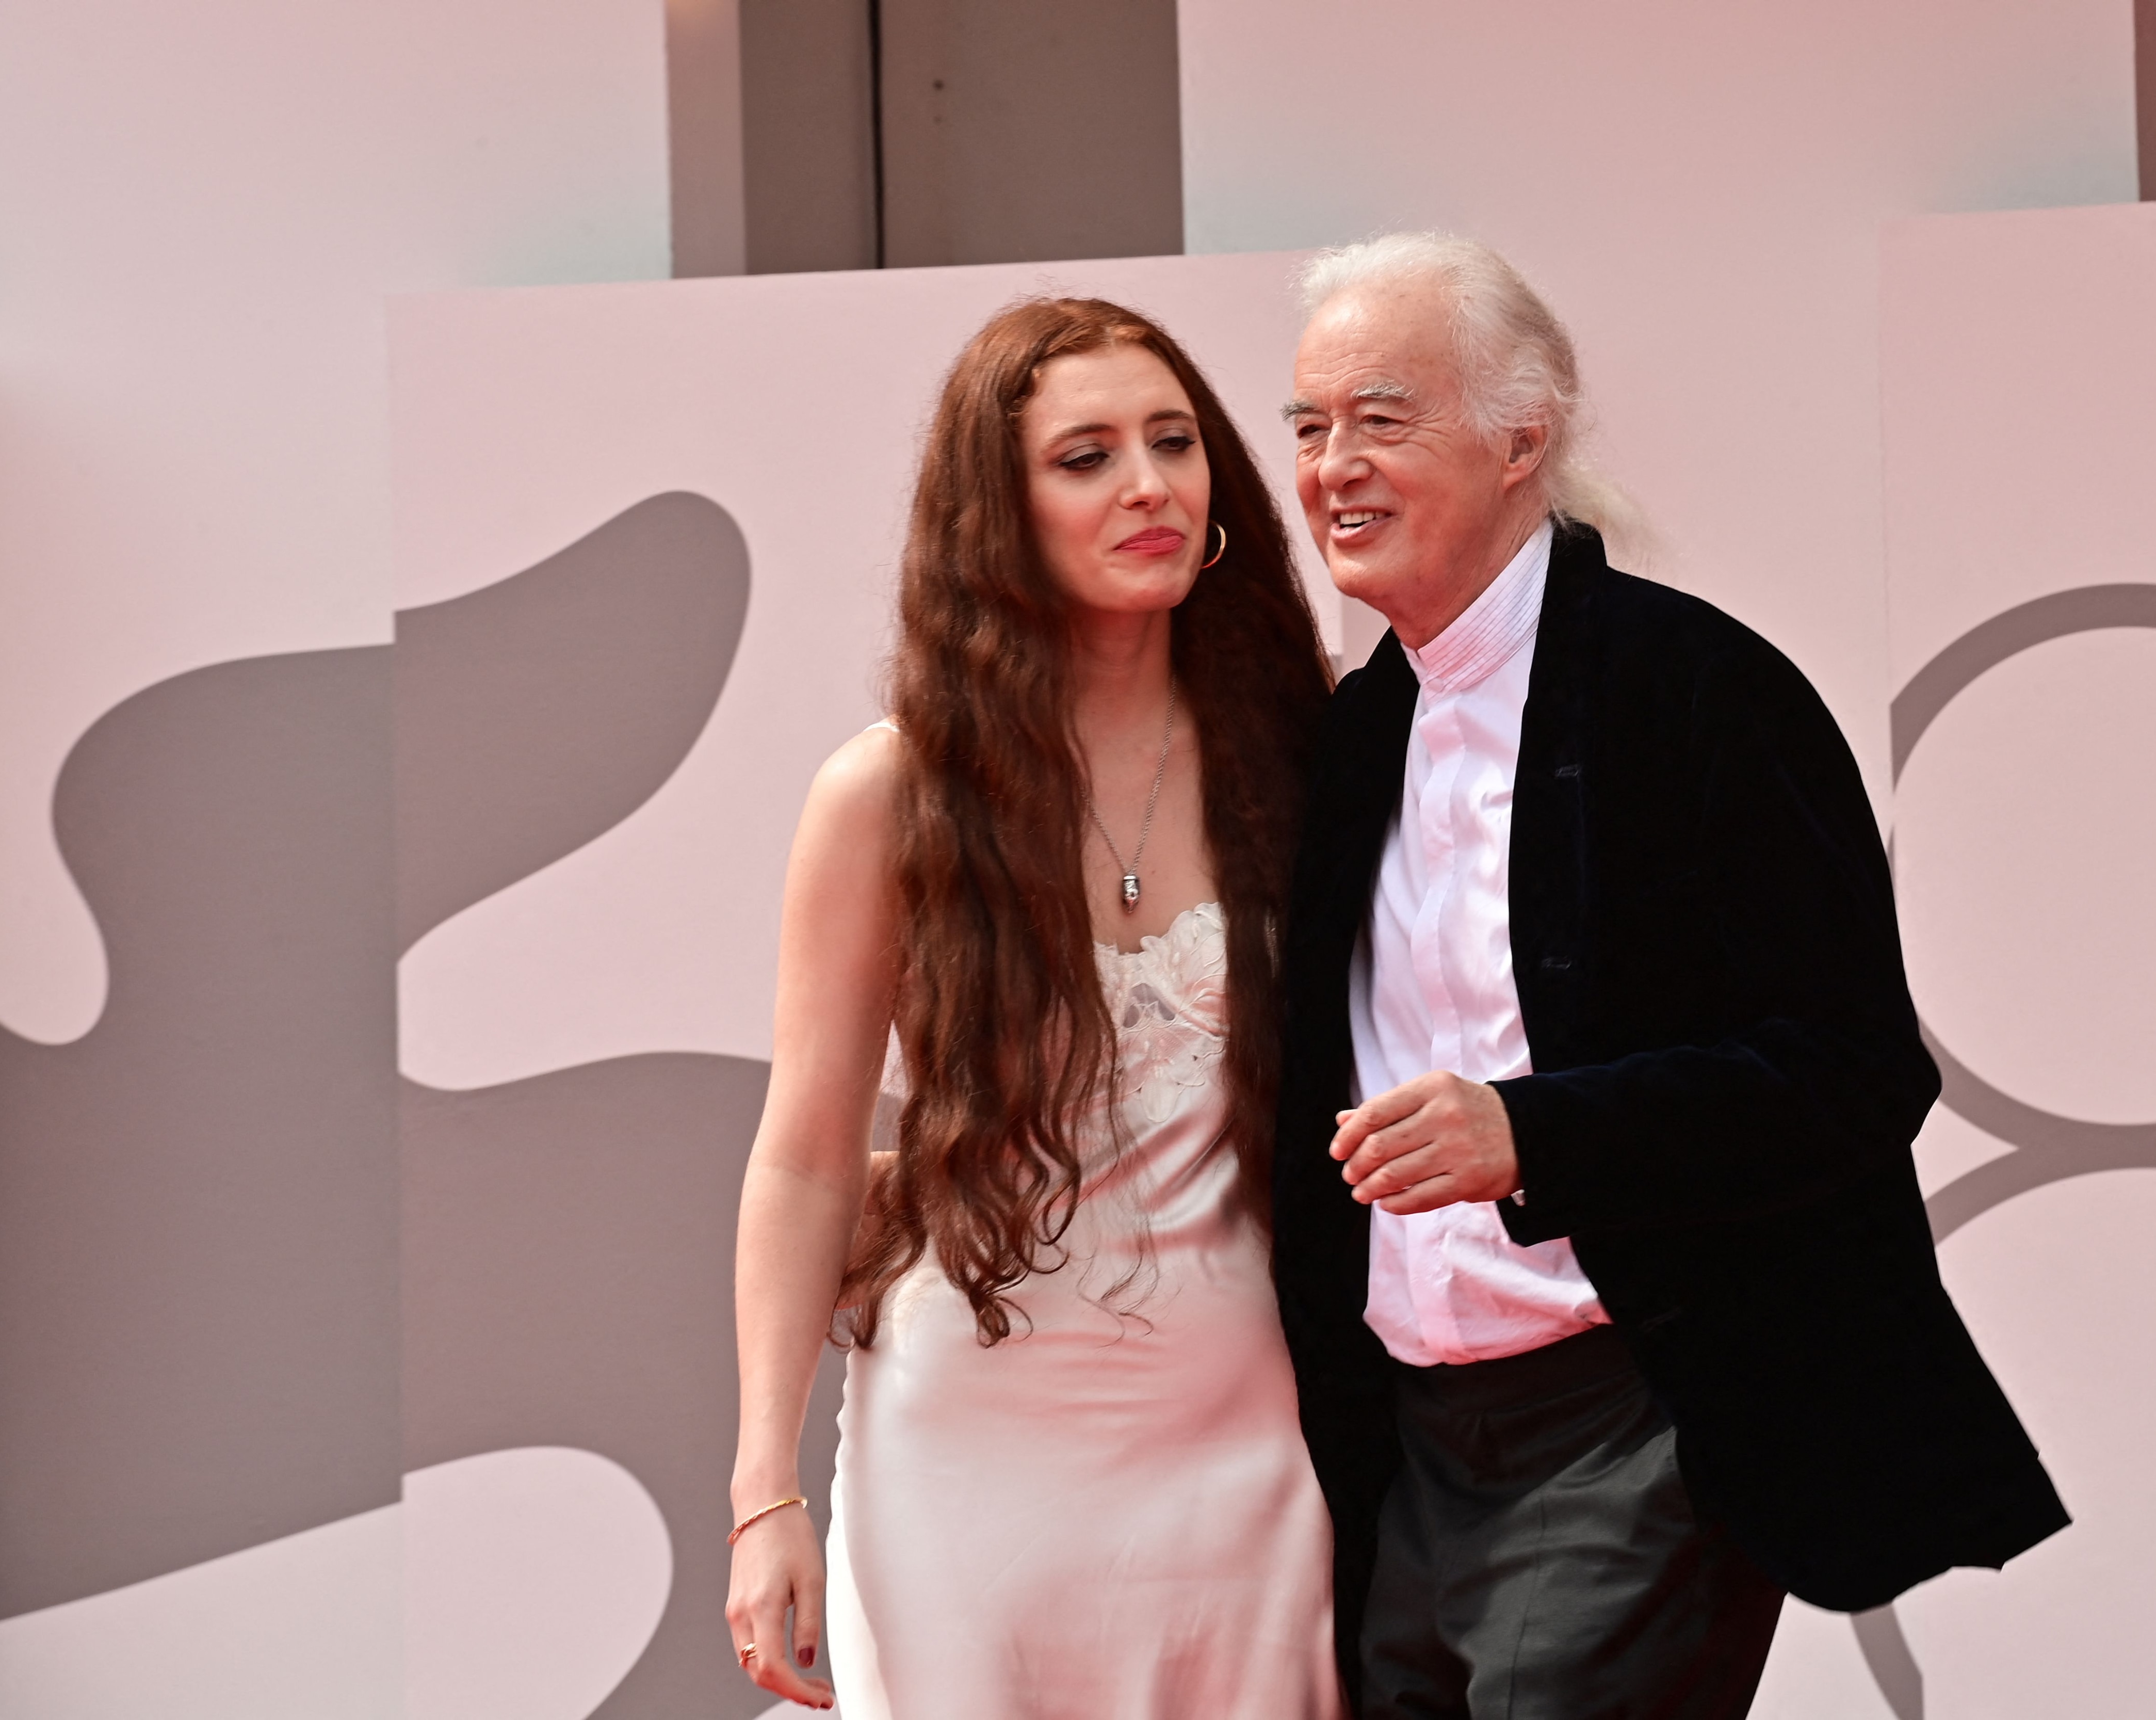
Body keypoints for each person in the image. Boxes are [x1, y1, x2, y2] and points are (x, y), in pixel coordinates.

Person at [1271, 234, 2069, 1718]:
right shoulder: (1347, 739)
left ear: (1527, 432)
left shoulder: (1697, 688)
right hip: (1403, 1449)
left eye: (1382, 418)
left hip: (1630, 1417)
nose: (1333, 468)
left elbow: (1854, 1067)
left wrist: (1538, 1134)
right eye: (1310, 428)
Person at [725, 296, 1343, 1717]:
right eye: (1086, 455)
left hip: (1249, 1442)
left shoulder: (1310, 755)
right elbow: (806, 1155)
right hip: (968, 1447)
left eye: (1175, 441)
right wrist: (764, 1495)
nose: (1148, 485)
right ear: (996, 513)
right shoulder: (887, 794)